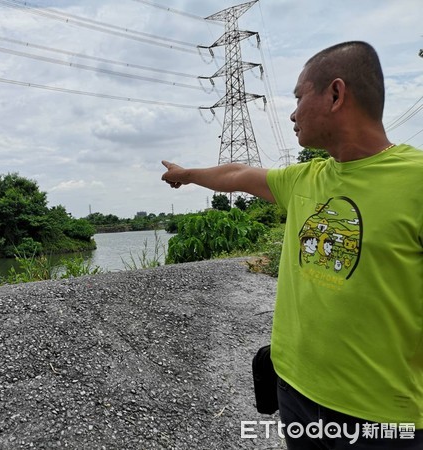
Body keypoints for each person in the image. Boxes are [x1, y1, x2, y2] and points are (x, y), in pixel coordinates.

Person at [161, 41, 422, 449]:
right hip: (294, 393)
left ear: (336, 95)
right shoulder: (305, 179)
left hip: (382, 417)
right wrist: (189, 174)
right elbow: (239, 174)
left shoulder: (417, 181)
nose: (293, 113)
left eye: (299, 97)